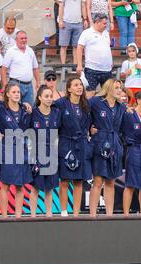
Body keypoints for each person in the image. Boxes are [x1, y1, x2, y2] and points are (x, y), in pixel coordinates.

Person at [0, 83, 33, 218]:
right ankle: (4, 216)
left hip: (22, 148)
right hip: (7, 148)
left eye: (18, 92)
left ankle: (18, 216)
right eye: (14, 92)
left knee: (20, 185)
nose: (17, 94)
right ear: (8, 94)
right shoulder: (0, 109)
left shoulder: (25, 109)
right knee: (5, 184)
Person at [54, 77, 92, 217]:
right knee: (64, 180)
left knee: (78, 180)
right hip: (66, 143)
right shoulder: (60, 104)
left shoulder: (87, 105)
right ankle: (64, 211)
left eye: (80, 84)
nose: (79, 87)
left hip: (81, 144)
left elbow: (92, 123)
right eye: (76, 85)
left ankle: (76, 213)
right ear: (69, 89)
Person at [89, 79, 125, 217]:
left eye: (120, 88)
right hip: (99, 143)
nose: (119, 90)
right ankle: (92, 215)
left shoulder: (121, 107)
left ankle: (109, 215)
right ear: (109, 88)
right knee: (98, 181)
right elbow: (85, 115)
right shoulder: (96, 102)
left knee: (111, 181)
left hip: (115, 144)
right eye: (116, 88)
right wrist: (89, 129)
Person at [29, 85, 60, 217]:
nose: (49, 99)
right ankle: (32, 216)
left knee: (50, 188)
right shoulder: (33, 113)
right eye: (46, 96)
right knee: (35, 187)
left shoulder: (56, 113)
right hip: (37, 152)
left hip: (52, 152)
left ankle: (49, 214)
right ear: (40, 97)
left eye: (51, 96)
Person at [76, 13, 113, 97]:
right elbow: (79, 48)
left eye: (106, 23)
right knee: (90, 93)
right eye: (104, 23)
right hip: (92, 69)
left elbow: (107, 48)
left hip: (107, 70)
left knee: (108, 94)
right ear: (97, 22)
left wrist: (111, 61)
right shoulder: (87, 33)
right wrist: (79, 65)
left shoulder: (106, 33)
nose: (105, 25)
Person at [1, 30, 41, 105]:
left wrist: (38, 81)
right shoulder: (11, 51)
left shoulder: (30, 50)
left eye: (25, 38)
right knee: (15, 107)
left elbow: (35, 68)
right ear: (16, 40)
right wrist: (5, 84)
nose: (24, 40)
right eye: (21, 38)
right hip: (15, 83)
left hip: (29, 85)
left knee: (29, 109)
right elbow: (3, 69)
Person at [58, 0, 88, 65]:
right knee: (64, 45)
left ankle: (75, 66)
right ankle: (63, 66)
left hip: (79, 22)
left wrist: (85, 19)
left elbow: (83, 5)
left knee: (77, 46)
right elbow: (61, 5)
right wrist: (60, 20)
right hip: (66, 21)